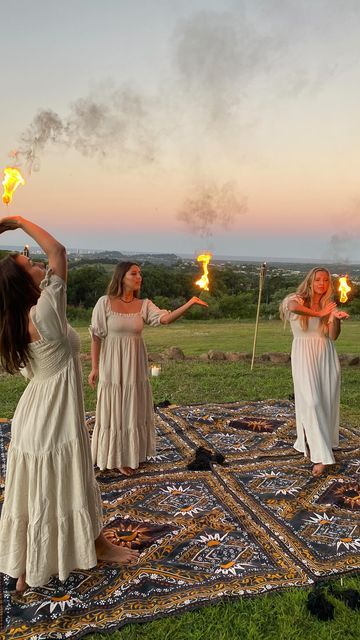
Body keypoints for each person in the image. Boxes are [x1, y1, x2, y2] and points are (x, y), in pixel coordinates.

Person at [0, 216, 139, 591]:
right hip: (53, 415)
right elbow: (58, 251)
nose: (37, 262)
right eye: (29, 265)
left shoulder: (10, 318)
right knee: (66, 480)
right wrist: (16, 221)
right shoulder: (44, 313)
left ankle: (31, 565)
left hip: (35, 413)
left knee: (40, 488)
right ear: (23, 282)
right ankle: (70, 552)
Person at [88, 261, 208, 475]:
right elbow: (96, 336)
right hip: (113, 364)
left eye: (140, 273)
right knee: (115, 406)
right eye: (134, 273)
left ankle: (132, 453)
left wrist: (190, 303)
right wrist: (94, 368)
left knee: (132, 406)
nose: (139, 277)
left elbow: (165, 318)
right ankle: (114, 456)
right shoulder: (104, 303)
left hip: (135, 363)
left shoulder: (144, 304)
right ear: (121, 277)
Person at [280, 268, 349, 477]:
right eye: (318, 279)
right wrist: (319, 313)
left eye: (326, 280)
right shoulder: (295, 299)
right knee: (311, 401)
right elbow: (293, 308)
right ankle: (320, 456)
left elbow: (333, 336)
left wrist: (334, 318)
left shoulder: (329, 305)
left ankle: (324, 443)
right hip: (303, 354)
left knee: (326, 402)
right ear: (310, 281)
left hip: (325, 355)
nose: (322, 283)